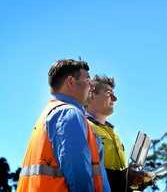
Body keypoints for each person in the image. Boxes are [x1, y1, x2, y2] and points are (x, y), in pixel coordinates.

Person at [17, 59, 111, 192]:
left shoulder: (47, 115)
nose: (91, 86)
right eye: (88, 81)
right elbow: (79, 175)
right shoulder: (69, 114)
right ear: (71, 82)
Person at [86, 75, 153, 192]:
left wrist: (135, 181)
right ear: (92, 95)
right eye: (108, 93)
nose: (115, 98)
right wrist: (125, 177)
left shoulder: (114, 133)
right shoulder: (83, 126)